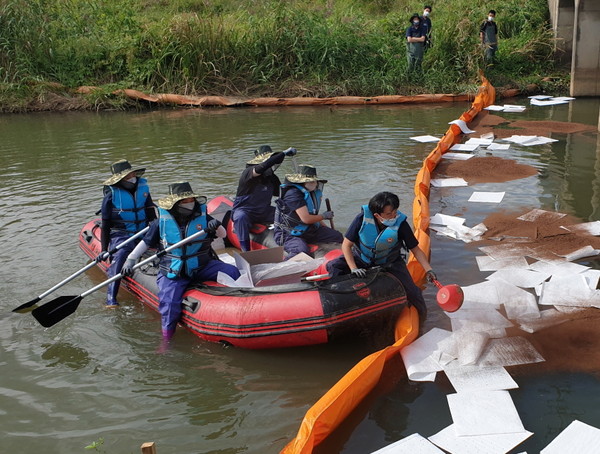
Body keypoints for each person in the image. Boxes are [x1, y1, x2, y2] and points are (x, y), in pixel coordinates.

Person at [122, 182, 241, 341]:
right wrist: (130, 259)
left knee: (233, 272)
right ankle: (167, 339)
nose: (189, 204)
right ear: (175, 204)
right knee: (170, 304)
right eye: (184, 201)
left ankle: (240, 309)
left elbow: (223, 234)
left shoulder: (202, 217)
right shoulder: (161, 223)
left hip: (202, 265)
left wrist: (216, 226)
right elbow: (146, 243)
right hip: (174, 271)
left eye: (191, 200)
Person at [326, 191, 435, 318]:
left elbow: (415, 249)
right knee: (334, 266)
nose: (394, 216)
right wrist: (353, 268)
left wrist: (429, 270)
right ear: (377, 215)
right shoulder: (361, 219)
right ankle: (338, 301)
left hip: (390, 261)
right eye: (389, 214)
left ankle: (422, 318)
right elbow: (346, 245)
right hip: (362, 259)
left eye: (395, 211)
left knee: (413, 292)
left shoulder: (401, 224)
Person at [99, 159, 156, 307]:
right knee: (121, 256)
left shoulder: (143, 188)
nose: (132, 177)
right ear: (120, 180)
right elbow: (105, 225)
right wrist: (105, 250)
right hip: (122, 234)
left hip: (144, 232)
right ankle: (111, 299)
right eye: (127, 176)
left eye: (132, 174)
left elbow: (151, 215)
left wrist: (157, 236)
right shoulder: (111, 195)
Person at [232, 145, 297, 252]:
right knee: (240, 217)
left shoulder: (271, 178)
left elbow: (283, 195)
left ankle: (297, 238)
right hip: (245, 210)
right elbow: (262, 167)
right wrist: (283, 153)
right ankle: (245, 250)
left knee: (285, 215)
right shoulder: (248, 173)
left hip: (264, 211)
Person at [273, 165, 343, 258]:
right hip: (289, 233)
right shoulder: (293, 194)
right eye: (312, 181)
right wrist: (324, 216)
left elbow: (313, 215)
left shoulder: (309, 193)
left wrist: (326, 228)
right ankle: (283, 267)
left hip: (308, 230)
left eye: (315, 181)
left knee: (337, 236)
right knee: (301, 251)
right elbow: (306, 219)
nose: (315, 184)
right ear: (303, 182)